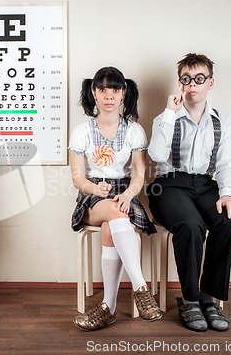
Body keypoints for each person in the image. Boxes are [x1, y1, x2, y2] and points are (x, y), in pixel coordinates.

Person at [147, 53, 231, 332]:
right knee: (191, 226)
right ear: (180, 83)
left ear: (210, 83)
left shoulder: (221, 121)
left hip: (205, 185)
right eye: (186, 79)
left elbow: (227, 163)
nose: (193, 85)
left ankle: (208, 297)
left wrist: (227, 194)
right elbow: (156, 154)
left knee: (230, 226)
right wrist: (168, 112)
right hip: (168, 186)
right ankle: (189, 300)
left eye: (199, 79)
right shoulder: (166, 118)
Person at [69, 67, 161, 331]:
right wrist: (93, 188)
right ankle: (141, 289)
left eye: (115, 89)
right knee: (115, 214)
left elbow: (139, 176)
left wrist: (129, 194)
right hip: (92, 197)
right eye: (102, 89)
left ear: (124, 93)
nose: (109, 95)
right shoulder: (82, 131)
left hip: (125, 194)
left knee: (112, 226)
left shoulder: (134, 131)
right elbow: (77, 178)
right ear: (93, 92)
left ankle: (107, 308)